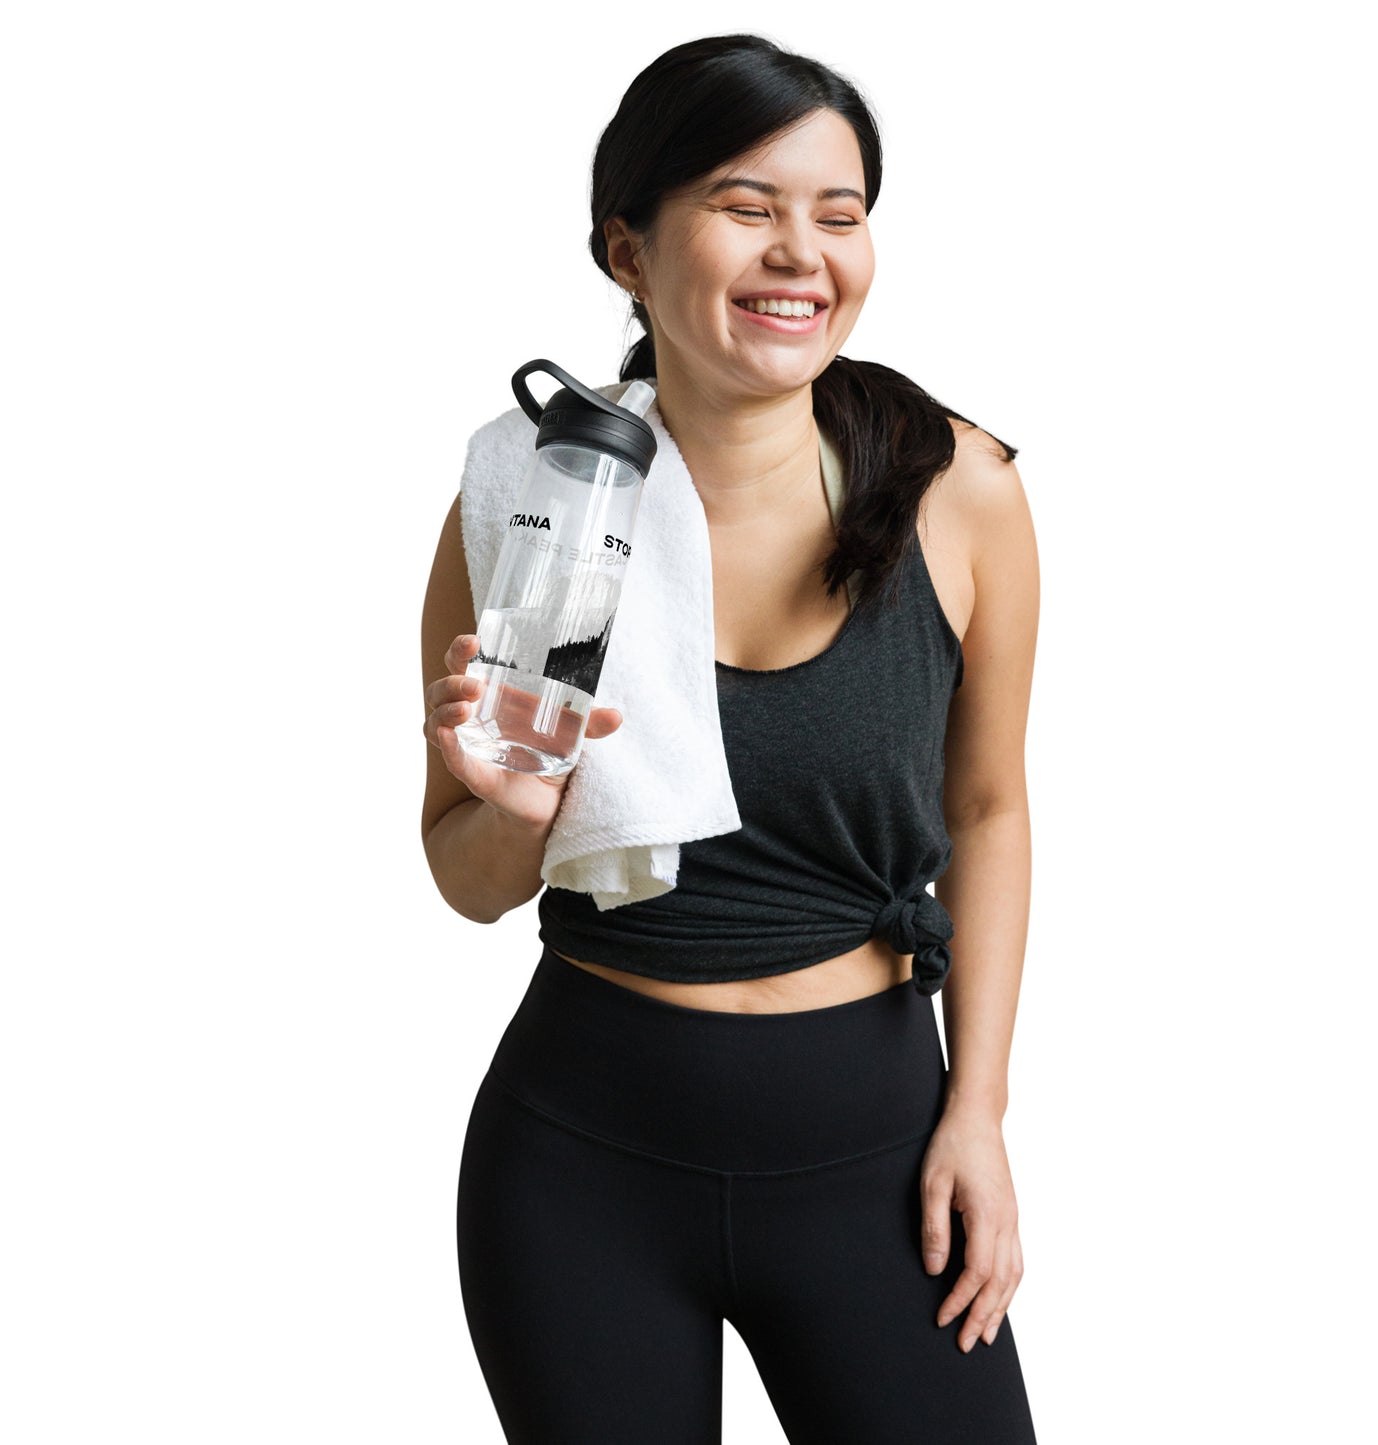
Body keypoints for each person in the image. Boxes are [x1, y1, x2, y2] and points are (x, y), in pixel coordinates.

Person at [421, 34, 1040, 1444]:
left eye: (838, 214)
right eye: (747, 206)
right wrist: (515, 810)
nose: (800, 254)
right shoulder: (524, 511)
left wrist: (979, 1113)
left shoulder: (964, 493)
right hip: (580, 1157)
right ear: (626, 249)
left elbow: (991, 808)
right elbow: (463, 877)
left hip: (876, 1148)